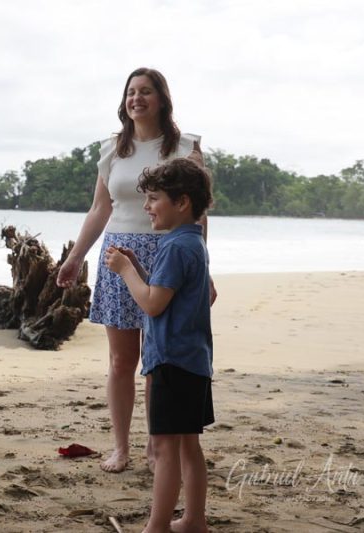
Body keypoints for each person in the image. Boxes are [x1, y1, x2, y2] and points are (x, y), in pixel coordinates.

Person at [57, 67, 213, 473]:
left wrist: (204, 268)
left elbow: (198, 214)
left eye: (146, 91)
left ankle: (155, 447)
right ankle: (121, 447)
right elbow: (99, 209)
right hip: (118, 253)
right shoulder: (113, 149)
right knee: (121, 360)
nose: (136, 99)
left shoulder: (186, 146)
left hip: (169, 253)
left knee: (158, 359)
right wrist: (75, 257)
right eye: (130, 92)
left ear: (162, 98)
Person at [104, 157, 214, 533]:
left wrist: (125, 271)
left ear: (181, 202)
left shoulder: (174, 247)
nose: (147, 207)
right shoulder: (193, 243)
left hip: (169, 363)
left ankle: (157, 527)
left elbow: (152, 303)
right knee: (188, 448)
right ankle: (194, 520)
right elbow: (178, 294)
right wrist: (139, 268)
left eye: (153, 199)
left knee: (166, 450)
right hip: (194, 362)